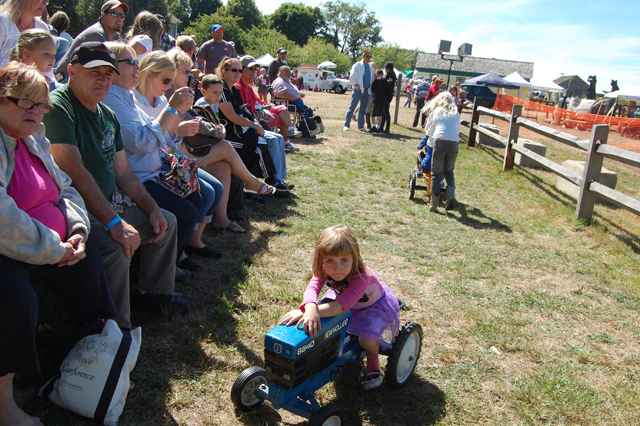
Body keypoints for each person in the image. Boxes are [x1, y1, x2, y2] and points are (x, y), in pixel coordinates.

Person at [0, 61, 117, 426]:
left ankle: (93, 357)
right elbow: (3, 219)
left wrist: (78, 231)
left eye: (41, 105)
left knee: (91, 259)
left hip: (49, 244)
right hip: (8, 248)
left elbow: (64, 187)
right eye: (26, 102)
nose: (36, 112)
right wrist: (55, 248)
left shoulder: (34, 137)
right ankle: (4, 404)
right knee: (14, 299)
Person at [44, 42, 188, 329]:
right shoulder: (59, 105)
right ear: (71, 71)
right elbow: (74, 170)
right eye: (94, 72)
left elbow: (124, 173)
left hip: (112, 202)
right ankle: (115, 327)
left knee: (167, 221)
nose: (104, 79)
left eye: (108, 73)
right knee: (114, 245)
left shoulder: (106, 114)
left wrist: (152, 208)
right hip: (77, 207)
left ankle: (151, 294)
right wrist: (114, 222)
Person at [102, 42, 206, 274]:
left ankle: (173, 259)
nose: (136, 66)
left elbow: (163, 141)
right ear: (112, 66)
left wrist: (175, 113)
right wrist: (172, 109)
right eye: (130, 61)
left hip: (152, 173)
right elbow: (142, 142)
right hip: (138, 178)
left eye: (136, 61)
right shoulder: (113, 99)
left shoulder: (126, 97)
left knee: (197, 199)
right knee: (186, 211)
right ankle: (162, 272)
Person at [278, 224, 400, 391]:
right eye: (330, 261)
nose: (337, 268)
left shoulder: (362, 276)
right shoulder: (324, 269)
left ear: (354, 257)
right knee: (329, 323)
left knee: (367, 340)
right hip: (345, 299)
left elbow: (343, 305)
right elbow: (313, 288)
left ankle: (374, 365)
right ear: (321, 259)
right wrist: (310, 307)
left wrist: (309, 311)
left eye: (344, 260)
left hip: (372, 306)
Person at [132, 50, 230, 246]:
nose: (168, 86)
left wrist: (179, 112)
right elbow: (148, 142)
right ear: (149, 75)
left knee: (212, 190)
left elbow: (167, 140)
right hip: (149, 170)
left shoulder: (159, 100)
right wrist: (174, 111)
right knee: (199, 199)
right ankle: (180, 251)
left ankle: (189, 243)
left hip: (164, 161)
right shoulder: (135, 102)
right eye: (166, 80)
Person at [185, 73, 284, 232]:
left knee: (231, 166)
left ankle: (229, 213)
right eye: (214, 92)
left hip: (212, 145)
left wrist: (219, 131)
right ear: (203, 91)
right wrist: (220, 131)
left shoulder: (214, 103)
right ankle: (255, 183)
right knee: (250, 147)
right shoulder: (202, 105)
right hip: (200, 149)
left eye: (220, 93)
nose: (218, 96)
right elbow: (204, 131)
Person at [217, 56, 286, 193]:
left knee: (274, 139)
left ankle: (273, 180)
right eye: (234, 70)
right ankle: (263, 183)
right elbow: (233, 117)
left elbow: (246, 110)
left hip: (239, 129)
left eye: (239, 70)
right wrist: (254, 126)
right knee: (261, 145)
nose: (238, 73)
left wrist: (255, 123)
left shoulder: (234, 89)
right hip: (226, 133)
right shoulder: (222, 89)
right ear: (224, 71)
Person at [236, 54, 301, 153]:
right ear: (241, 69)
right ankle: (287, 137)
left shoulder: (248, 87)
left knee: (283, 112)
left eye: (255, 68)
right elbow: (245, 111)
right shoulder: (238, 87)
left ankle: (287, 138)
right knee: (276, 137)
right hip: (253, 121)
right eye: (251, 68)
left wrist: (264, 106)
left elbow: (256, 100)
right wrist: (263, 108)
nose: (254, 71)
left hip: (257, 116)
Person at [55, 0, 127, 81]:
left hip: (82, 77)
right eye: (115, 14)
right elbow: (103, 68)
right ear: (103, 15)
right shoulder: (97, 34)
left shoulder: (115, 35)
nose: (119, 19)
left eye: (122, 16)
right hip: (67, 79)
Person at [423, 91, 460, 212]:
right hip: (454, 143)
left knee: (436, 174)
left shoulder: (436, 112)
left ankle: (434, 204)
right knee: (449, 171)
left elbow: (428, 130)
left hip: (440, 142)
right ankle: (451, 197)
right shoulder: (456, 113)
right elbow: (457, 130)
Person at [0, 0, 51, 67]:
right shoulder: (3, 22)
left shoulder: (43, 28)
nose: (44, 4)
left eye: (46, 0)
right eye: (41, 0)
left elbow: (45, 68)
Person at [343, 50, 374, 131]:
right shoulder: (357, 65)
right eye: (367, 56)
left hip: (366, 90)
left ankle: (360, 126)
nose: (368, 58)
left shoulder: (370, 67)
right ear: (363, 56)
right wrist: (356, 86)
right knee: (352, 107)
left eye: (370, 56)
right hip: (358, 90)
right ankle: (346, 125)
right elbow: (352, 76)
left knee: (362, 109)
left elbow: (371, 78)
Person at [379, 62, 396, 134]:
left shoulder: (391, 76)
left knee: (386, 112)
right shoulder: (389, 75)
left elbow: (389, 85)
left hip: (387, 95)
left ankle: (387, 128)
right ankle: (381, 127)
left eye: (386, 68)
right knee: (383, 112)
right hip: (386, 95)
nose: (385, 69)